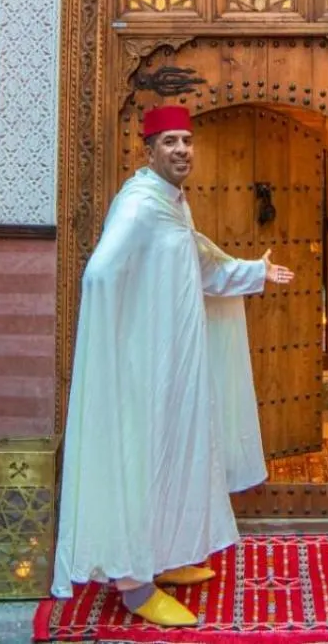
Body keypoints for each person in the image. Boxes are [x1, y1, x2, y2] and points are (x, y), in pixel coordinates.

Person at [50, 103, 295, 626]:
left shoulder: (172, 203)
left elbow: (200, 263)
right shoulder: (139, 205)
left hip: (176, 361)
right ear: (149, 151)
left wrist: (255, 272)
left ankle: (160, 556)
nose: (182, 149)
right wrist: (121, 341)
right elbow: (99, 274)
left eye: (186, 140)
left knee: (174, 452)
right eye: (170, 142)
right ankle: (135, 586)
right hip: (144, 366)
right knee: (143, 458)